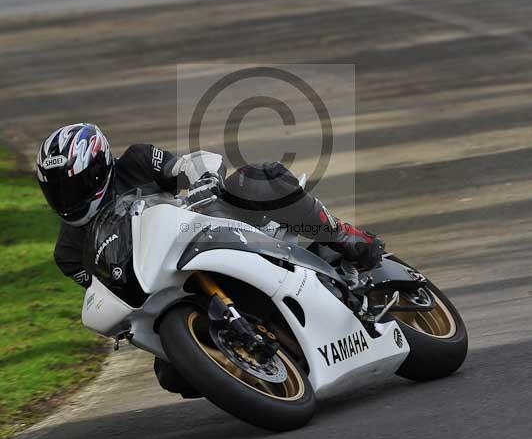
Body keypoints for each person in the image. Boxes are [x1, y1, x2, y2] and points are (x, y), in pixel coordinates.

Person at [36, 123, 384, 391]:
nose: (68, 198)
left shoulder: (136, 161)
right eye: (57, 190)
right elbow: (104, 288)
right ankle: (251, 368)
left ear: (99, 168)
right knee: (172, 374)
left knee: (258, 177)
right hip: (163, 282)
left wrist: (201, 180)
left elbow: (188, 164)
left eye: (73, 186)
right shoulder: (68, 252)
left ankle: (343, 236)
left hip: (205, 229)